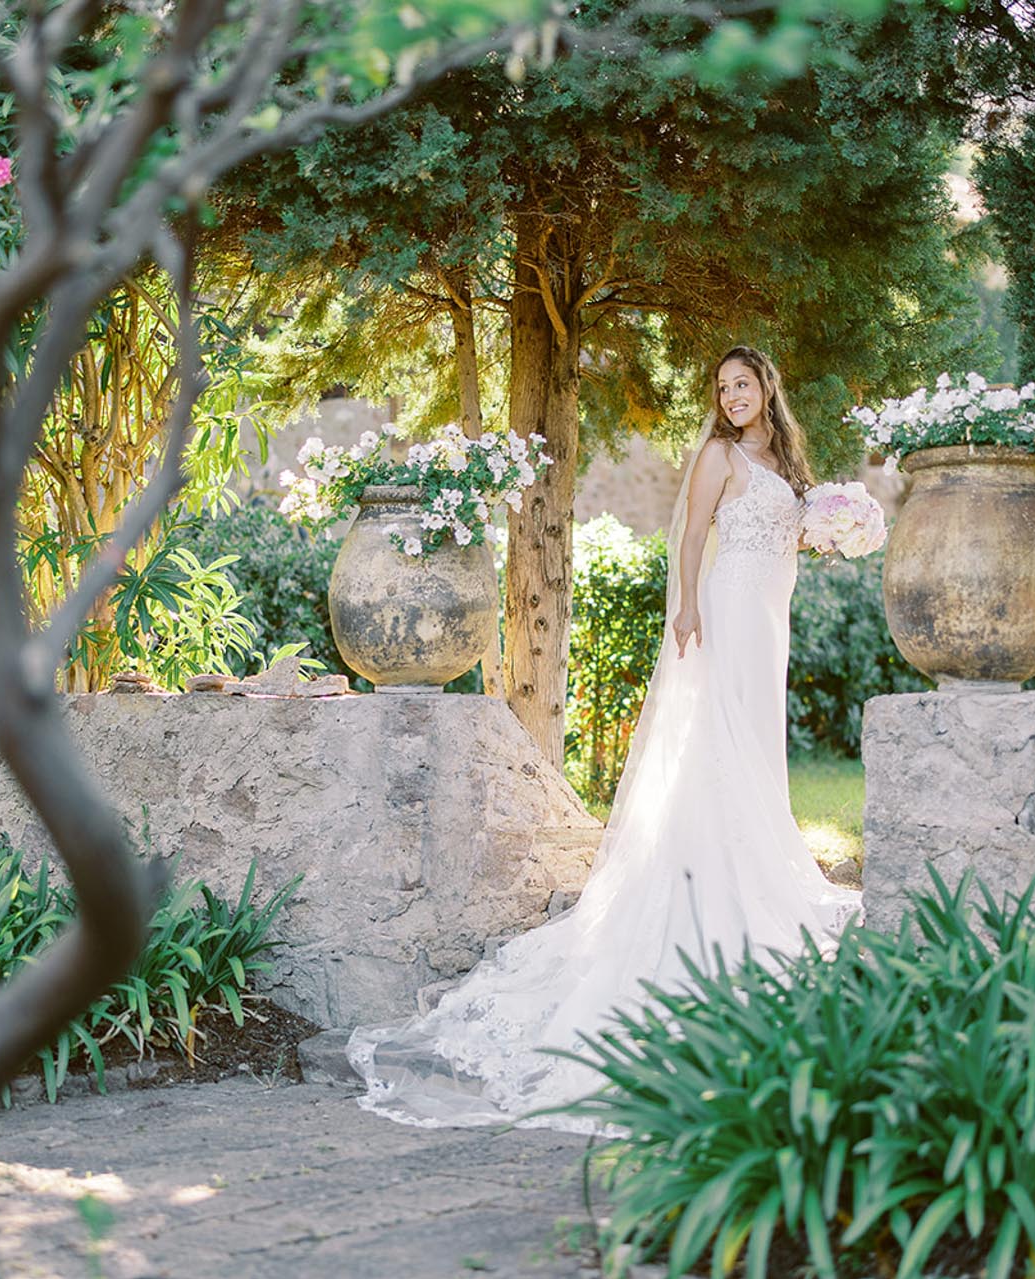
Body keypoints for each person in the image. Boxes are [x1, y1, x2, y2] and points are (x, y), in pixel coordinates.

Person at [346, 345, 862, 1132]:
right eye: (721, 387)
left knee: (755, 745)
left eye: (743, 385)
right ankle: (713, 868)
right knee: (718, 741)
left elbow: (780, 538)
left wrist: (829, 531)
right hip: (724, 610)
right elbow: (689, 538)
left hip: (771, 618)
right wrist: (686, 607)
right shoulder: (718, 454)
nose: (731, 398)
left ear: (768, 388)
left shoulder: (783, 462)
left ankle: (753, 844)